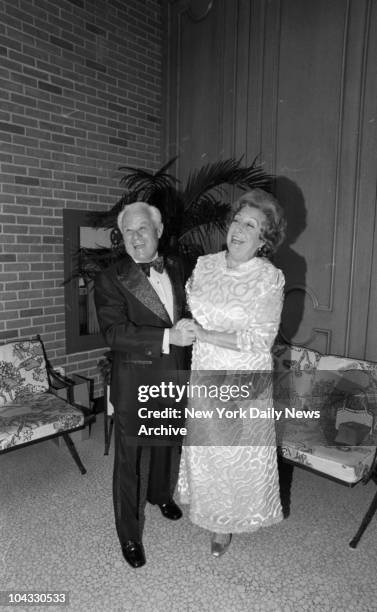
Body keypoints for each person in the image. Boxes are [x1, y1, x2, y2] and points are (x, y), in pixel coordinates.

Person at [177, 188, 286, 556]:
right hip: (206, 370)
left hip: (243, 376)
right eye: (237, 220)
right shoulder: (205, 264)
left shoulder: (269, 278)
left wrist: (204, 332)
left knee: (235, 452)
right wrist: (186, 327)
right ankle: (210, 514)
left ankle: (227, 523)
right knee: (209, 450)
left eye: (250, 224)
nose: (238, 229)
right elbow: (192, 307)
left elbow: (261, 338)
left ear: (263, 239)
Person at [94, 202, 195, 569]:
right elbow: (115, 332)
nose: (135, 238)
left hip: (175, 374)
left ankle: (160, 495)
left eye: (142, 230)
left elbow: (188, 312)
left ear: (159, 230)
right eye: (128, 232)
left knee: (167, 442)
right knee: (129, 461)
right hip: (134, 380)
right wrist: (169, 336)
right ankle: (130, 534)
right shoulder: (110, 278)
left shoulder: (179, 267)